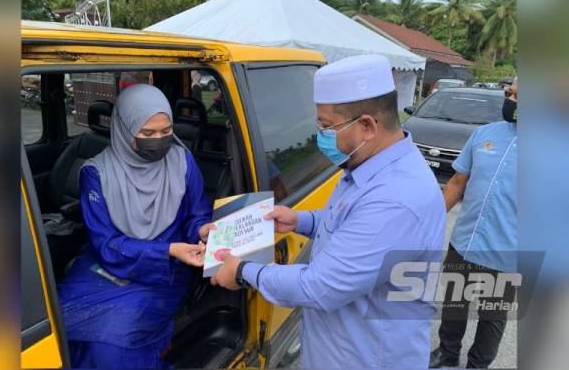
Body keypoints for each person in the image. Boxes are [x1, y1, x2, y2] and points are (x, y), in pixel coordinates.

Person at [211, 55, 446, 369]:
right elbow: (350, 221)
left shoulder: (396, 198)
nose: (319, 135)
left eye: (326, 126)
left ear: (366, 126)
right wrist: (300, 220)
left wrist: (241, 271)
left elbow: (319, 287)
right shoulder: (371, 165)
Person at [57, 84, 214, 369]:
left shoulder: (182, 161)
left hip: (165, 269)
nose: (160, 140)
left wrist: (202, 230)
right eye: (147, 134)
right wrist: (169, 248)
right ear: (125, 130)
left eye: (166, 132)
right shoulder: (96, 173)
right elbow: (105, 244)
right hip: (105, 263)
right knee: (54, 323)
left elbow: (195, 214)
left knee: (110, 350)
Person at [429, 78, 518, 368]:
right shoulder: (484, 135)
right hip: (463, 241)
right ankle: (447, 353)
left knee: (492, 316)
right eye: (509, 92)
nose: (510, 98)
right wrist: (430, 219)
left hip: (507, 252)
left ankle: (477, 365)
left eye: (518, 95)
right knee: (455, 304)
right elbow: (457, 182)